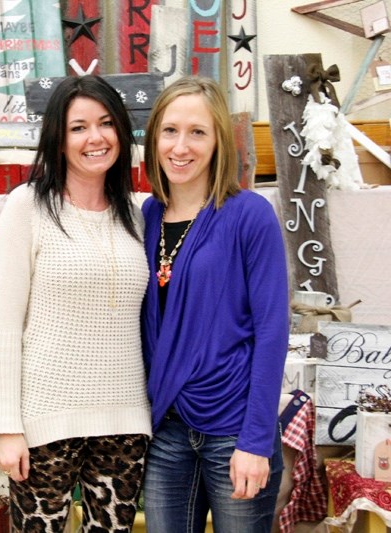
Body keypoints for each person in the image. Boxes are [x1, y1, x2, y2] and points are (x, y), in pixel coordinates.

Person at [0, 75, 152, 533]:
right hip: (44, 421)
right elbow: (4, 325)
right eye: (78, 127)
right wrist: (7, 427)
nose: (94, 138)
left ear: (120, 130)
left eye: (105, 124)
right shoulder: (27, 206)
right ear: (58, 138)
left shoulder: (134, 213)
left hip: (125, 418)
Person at [140, 75, 289, 532]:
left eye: (197, 132)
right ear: (153, 139)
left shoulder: (249, 214)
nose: (180, 146)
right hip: (165, 431)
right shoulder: (145, 215)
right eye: (170, 131)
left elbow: (272, 331)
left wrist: (257, 440)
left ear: (218, 141)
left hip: (234, 429)